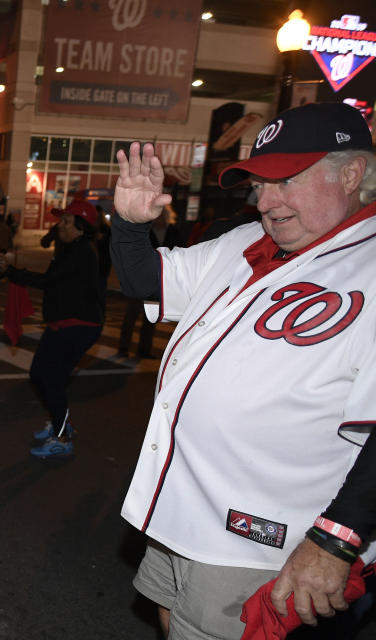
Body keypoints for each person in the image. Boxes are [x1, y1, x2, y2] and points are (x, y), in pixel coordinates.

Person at [111, 102, 376, 639]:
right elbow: (146, 281)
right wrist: (130, 225)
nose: (266, 201)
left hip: (266, 540)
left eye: (287, 181)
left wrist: (334, 540)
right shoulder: (245, 243)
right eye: (260, 183)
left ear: (352, 173)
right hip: (184, 509)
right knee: (171, 615)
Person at [0, 200, 104, 458]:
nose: (61, 226)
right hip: (61, 325)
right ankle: (61, 422)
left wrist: (12, 272)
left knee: (53, 380)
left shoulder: (81, 253)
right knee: (38, 374)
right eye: (62, 220)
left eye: (67, 222)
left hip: (79, 327)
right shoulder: (70, 249)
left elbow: (49, 281)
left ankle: (62, 437)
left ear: (81, 228)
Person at [117, 205, 182, 359]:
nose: (158, 218)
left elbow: (180, 252)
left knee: (150, 318)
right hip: (138, 280)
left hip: (158, 282)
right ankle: (123, 348)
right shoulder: (143, 231)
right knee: (131, 316)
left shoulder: (174, 232)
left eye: (161, 215)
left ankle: (144, 350)